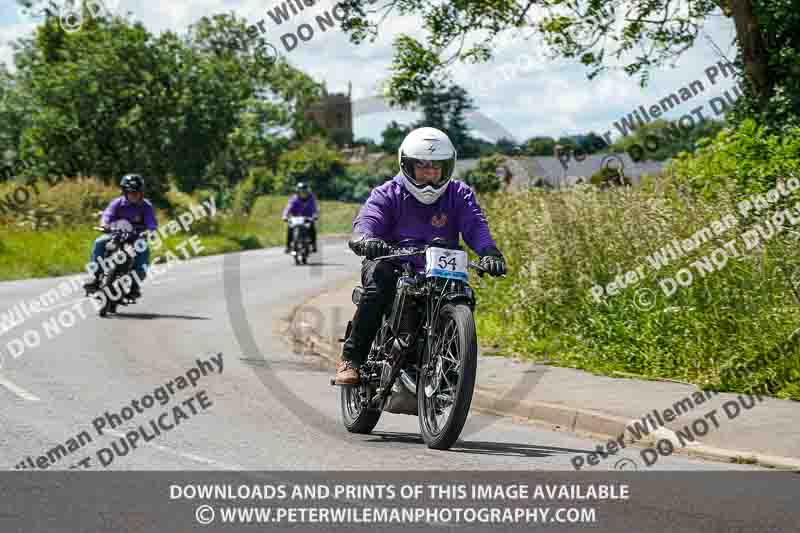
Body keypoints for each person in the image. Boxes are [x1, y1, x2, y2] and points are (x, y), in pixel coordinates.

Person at [335, 127, 507, 385]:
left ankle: (449, 369)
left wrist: (489, 252)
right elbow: (368, 221)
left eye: (436, 168)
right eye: (423, 167)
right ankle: (352, 359)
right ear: (407, 165)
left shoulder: (459, 195)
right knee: (380, 284)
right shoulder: (387, 193)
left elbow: (476, 226)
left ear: (447, 168)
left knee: (463, 294)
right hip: (391, 262)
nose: (430, 174)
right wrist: (367, 241)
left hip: (439, 270)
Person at [82, 174, 158, 299]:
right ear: (124, 192)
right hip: (116, 234)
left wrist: (151, 231)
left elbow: (151, 222)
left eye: (137, 192)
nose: (134, 195)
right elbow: (107, 215)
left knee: (143, 251)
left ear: (141, 192)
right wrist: (105, 225)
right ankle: (94, 277)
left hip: (137, 237)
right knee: (99, 242)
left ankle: (134, 285)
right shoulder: (117, 203)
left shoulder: (146, 206)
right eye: (131, 192)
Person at [282, 182, 318, 253]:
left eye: (304, 192)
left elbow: (314, 208)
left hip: (307, 218)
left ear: (308, 191)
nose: (303, 194)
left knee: (312, 228)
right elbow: (288, 207)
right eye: (301, 192)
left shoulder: (311, 198)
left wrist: (315, 215)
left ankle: (313, 244)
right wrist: (285, 216)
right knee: (289, 228)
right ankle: (288, 246)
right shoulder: (294, 198)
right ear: (298, 192)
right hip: (296, 218)